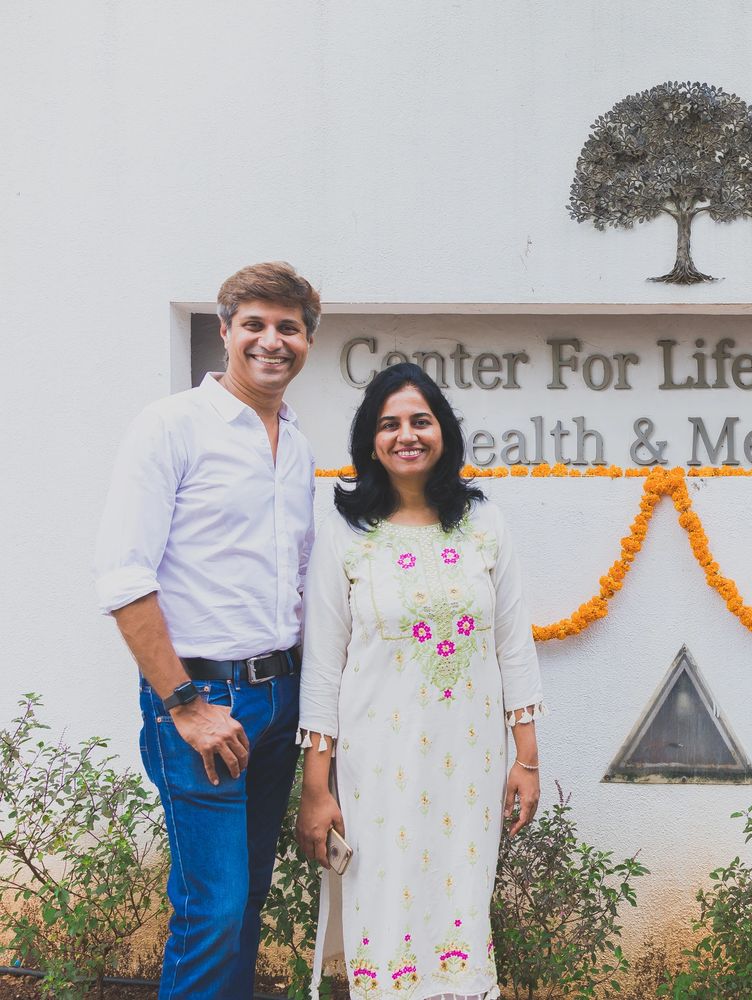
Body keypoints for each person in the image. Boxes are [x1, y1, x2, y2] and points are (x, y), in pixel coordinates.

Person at [95, 262, 321, 997]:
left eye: (288, 327)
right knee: (213, 909)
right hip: (204, 703)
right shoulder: (171, 426)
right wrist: (185, 705)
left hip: (278, 700)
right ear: (224, 332)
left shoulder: (297, 442)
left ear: (307, 342)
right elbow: (126, 578)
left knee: (246, 899)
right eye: (254, 323)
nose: (271, 340)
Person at [294, 362, 543, 999]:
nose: (407, 435)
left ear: (443, 433)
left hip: (468, 759)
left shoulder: (483, 523)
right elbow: (323, 665)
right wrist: (316, 789)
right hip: (376, 761)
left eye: (420, 421)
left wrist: (528, 760)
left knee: (460, 893)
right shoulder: (345, 531)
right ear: (370, 440)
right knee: (384, 896)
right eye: (390, 424)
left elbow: (513, 644)